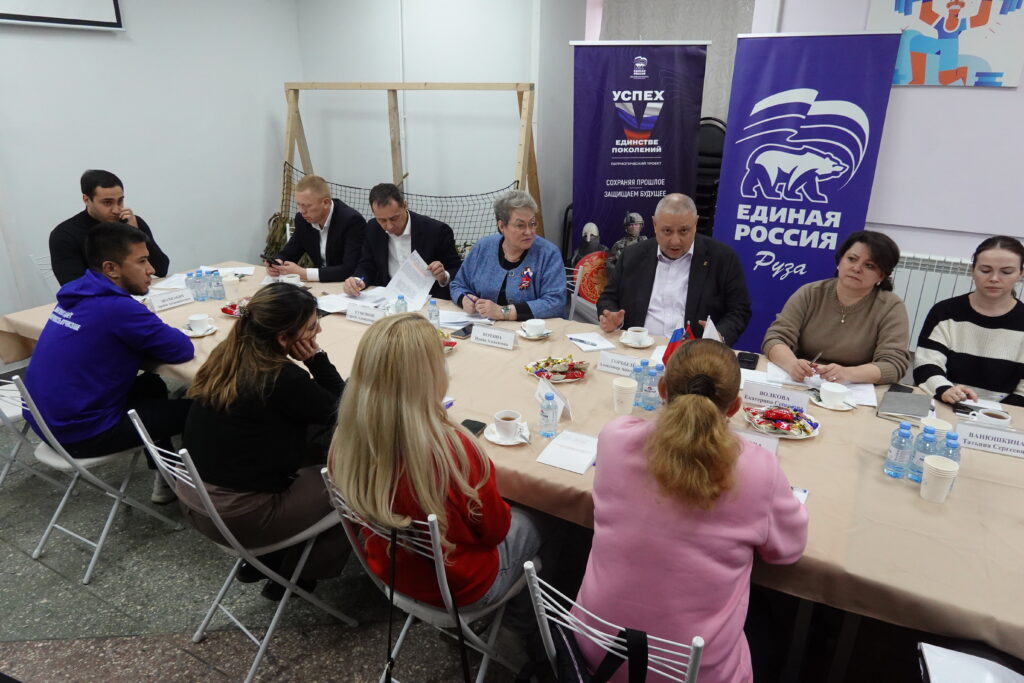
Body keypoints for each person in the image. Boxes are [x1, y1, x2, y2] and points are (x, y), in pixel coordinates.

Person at [574, 339, 808, 683]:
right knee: (768, 628)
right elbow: (786, 551)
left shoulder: (616, 438)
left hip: (594, 651)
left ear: (661, 389)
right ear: (735, 407)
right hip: (693, 672)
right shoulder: (758, 469)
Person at [328, 313, 544, 609]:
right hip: (464, 587)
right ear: (430, 375)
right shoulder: (453, 451)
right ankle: (526, 624)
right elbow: (495, 531)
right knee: (544, 519)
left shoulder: (345, 438)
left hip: (391, 572)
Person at [181, 283, 349, 598]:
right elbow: (342, 411)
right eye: (311, 327)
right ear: (283, 338)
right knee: (357, 481)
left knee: (312, 441)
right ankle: (297, 572)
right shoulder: (282, 378)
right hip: (239, 517)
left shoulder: (227, 355)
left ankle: (267, 560)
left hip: (196, 500)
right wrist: (316, 359)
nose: (319, 331)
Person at [24, 222, 193, 503]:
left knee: (151, 384)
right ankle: (203, 494)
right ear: (111, 268)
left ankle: (166, 476)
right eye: (142, 261)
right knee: (204, 410)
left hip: (47, 424)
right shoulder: (118, 308)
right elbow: (181, 349)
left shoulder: (78, 293)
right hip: (81, 434)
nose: (152, 269)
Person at [597, 194, 751, 345]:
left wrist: (719, 335)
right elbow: (608, 298)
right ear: (654, 224)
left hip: (694, 352)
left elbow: (739, 310)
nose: (675, 241)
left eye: (684, 231)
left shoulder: (722, 258)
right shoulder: (632, 255)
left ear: (695, 223)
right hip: (638, 348)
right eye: (667, 231)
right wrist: (611, 316)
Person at [762, 230, 911, 385]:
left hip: (855, 387)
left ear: (881, 275)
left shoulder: (891, 307)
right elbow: (776, 338)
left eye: (869, 265)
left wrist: (848, 373)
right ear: (840, 261)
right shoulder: (810, 293)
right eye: (851, 259)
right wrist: (792, 364)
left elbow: (893, 365)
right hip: (803, 380)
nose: (856, 268)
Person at [914, 235, 1024, 406]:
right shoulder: (945, 312)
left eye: (1006, 272)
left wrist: (993, 412)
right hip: (944, 403)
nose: (994, 278)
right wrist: (945, 390)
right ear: (972, 270)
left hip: (1005, 413)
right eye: (985, 270)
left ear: (1020, 274)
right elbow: (926, 363)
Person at [450, 190, 566, 321]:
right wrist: (464, 299)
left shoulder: (548, 253)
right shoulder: (483, 247)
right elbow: (458, 284)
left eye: (532, 223)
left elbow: (555, 302)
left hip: (533, 330)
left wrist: (503, 312)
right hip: (484, 327)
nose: (529, 232)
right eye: (520, 225)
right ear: (501, 226)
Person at [341, 183, 462, 300]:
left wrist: (444, 276)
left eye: (394, 218)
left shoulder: (436, 231)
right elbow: (367, 265)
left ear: (404, 205)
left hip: (429, 298)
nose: (389, 226)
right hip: (387, 297)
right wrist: (357, 280)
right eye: (382, 220)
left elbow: (456, 270)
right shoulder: (373, 229)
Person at [50, 169, 170, 286]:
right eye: (107, 202)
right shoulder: (65, 235)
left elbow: (161, 269)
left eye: (120, 201)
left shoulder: (131, 222)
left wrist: (135, 235)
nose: (116, 210)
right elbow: (75, 287)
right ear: (86, 199)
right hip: (101, 298)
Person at [267, 174, 365, 282]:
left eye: (307, 206)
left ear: (325, 203)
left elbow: (349, 269)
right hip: (320, 284)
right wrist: (278, 262)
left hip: (345, 284)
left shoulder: (351, 221)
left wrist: (304, 273)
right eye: (299, 205)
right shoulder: (302, 220)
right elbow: (290, 252)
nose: (302, 211)